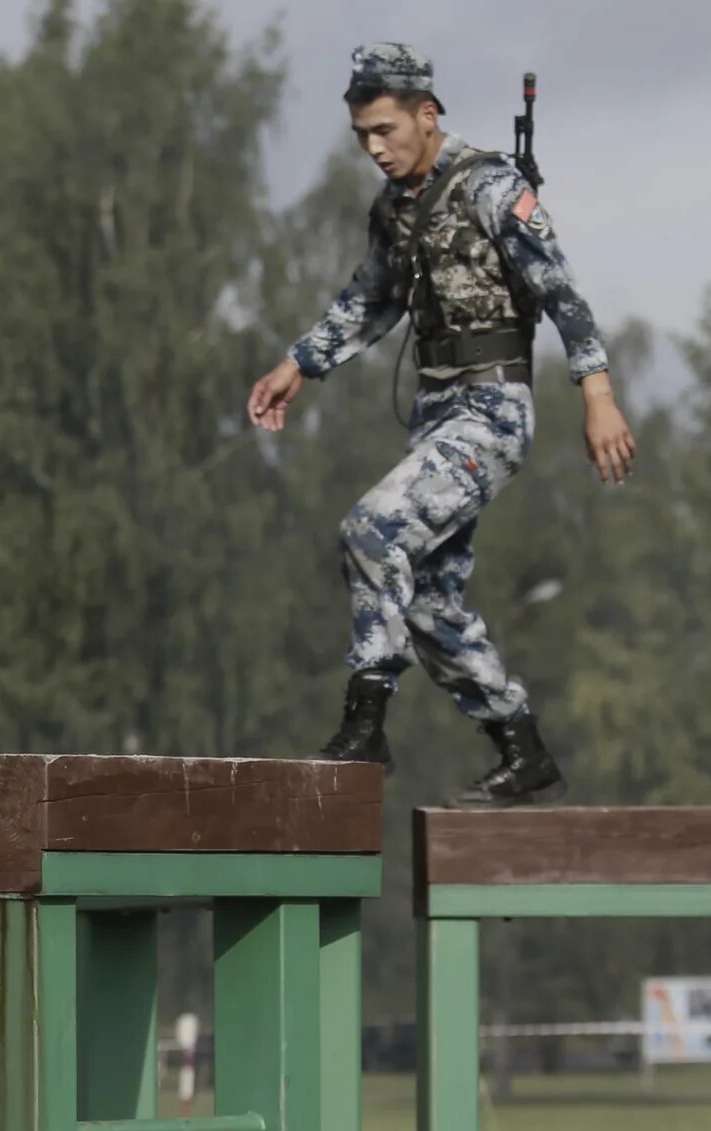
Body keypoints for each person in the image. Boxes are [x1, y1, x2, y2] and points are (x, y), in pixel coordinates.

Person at [248, 43, 637, 807]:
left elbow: (561, 292)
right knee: (426, 598)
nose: (375, 147)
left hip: (491, 410)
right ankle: (520, 745)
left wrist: (597, 394)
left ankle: (365, 724)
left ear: (429, 116)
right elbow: (370, 298)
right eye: (363, 135)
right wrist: (299, 364)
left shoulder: (491, 188)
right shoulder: (393, 209)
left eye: (387, 129)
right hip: (435, 410)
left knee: (371, 532)